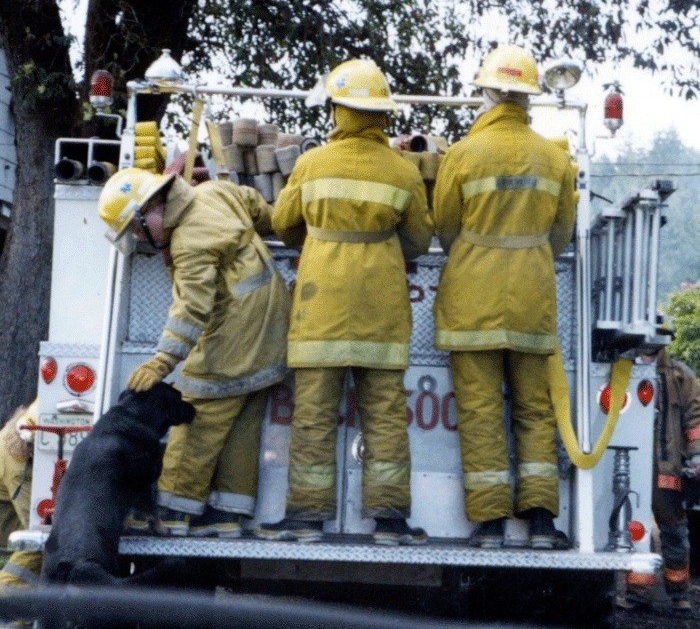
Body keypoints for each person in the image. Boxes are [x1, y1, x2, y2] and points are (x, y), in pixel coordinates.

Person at [255, 59, 434, 545]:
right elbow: (418, 241)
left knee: (313, 414)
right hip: (382, 312)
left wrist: (318, 237)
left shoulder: (312, 164)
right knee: (386, 416)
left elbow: (283, 224)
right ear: (380, 115)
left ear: (339, 111)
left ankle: (305, 520)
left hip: (320, 309)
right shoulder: (403, 172)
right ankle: (392, 522)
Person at [432, 44, 576, 548]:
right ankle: (540, 522)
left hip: (471, 299)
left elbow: (445, 227)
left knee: (480, 410)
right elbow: (561, 236)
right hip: (533, 298)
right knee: (535, 410)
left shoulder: (462, 154)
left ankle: (490, 524)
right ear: (530, 97)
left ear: (489, 93)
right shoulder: (556, 158)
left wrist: (476, 248)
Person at [98, 167, 290, 537]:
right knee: (242, 426)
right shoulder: (215, 192)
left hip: (234, 338)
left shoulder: (187, 243)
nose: (139, 238)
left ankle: (171, 512)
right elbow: (260, 210)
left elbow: (191, 310)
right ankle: (227, 515)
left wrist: (162, 361)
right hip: (270, 332)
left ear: (153, 207)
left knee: (196, 415)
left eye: (138, 229)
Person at [617, 324, 700, 613]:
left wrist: (696, 456)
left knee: (674, 530)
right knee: (636, 530)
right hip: (629, 466)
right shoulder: (621, 369)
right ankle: (639, 592)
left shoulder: (680, 376)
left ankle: (679, 593)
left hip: (666, 466)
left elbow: (694, 419)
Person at [0, 401, 42, 589]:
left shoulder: (16, 439)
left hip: (8, 519)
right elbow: (36, 536)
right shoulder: (18, 465)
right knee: (40, 541)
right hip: (9, 524)